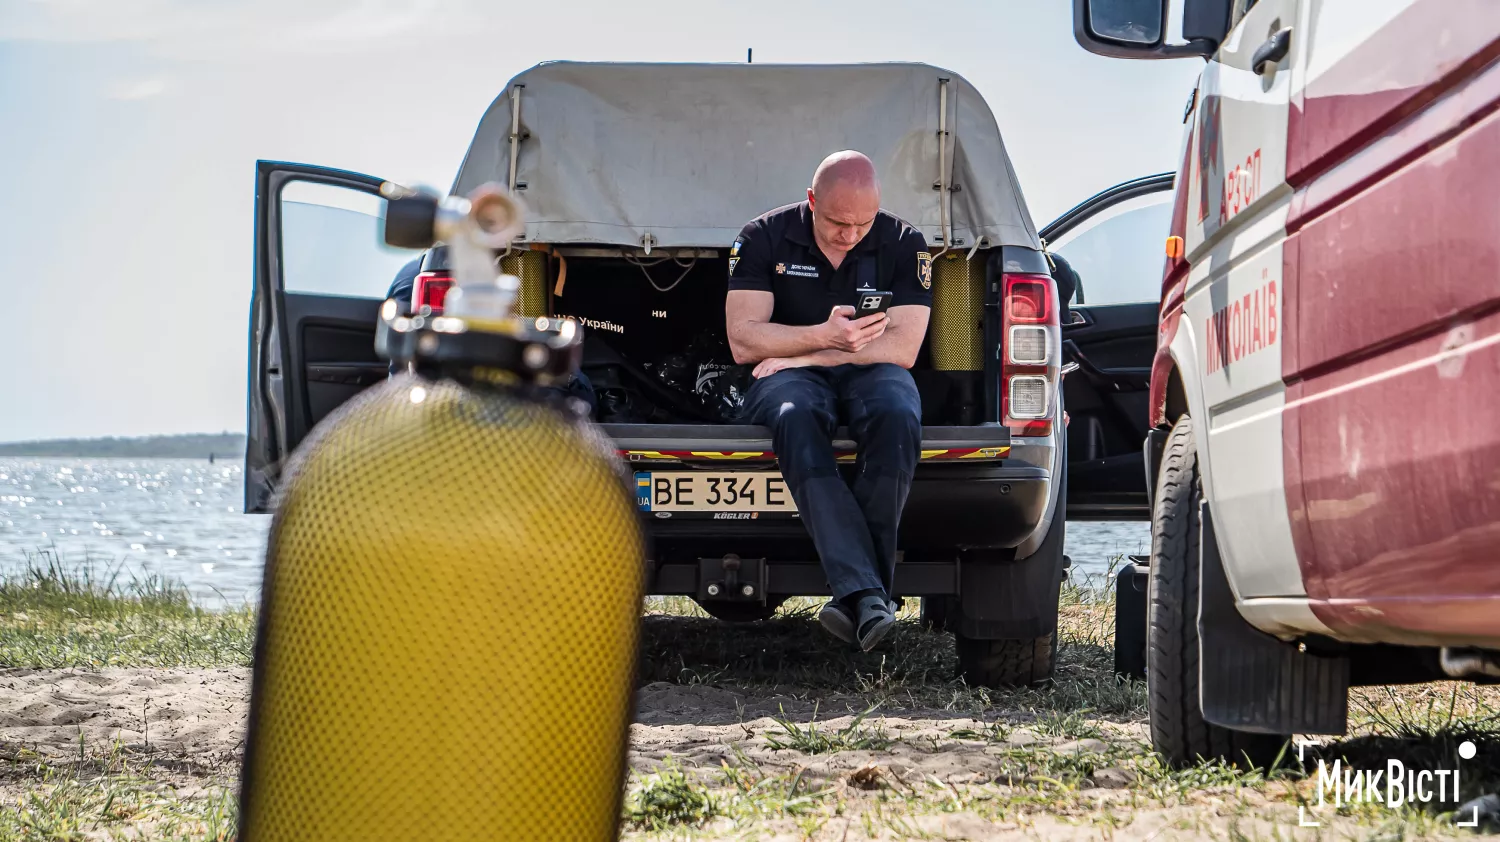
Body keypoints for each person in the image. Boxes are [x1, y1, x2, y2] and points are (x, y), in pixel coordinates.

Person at [725, 150, 932, 651]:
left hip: (857, 367)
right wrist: (822, 335)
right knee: (795, 416)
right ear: (812, 200)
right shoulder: (763, 237)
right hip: (789, 378)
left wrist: (811, 353)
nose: (851, 234)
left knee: (898, 413)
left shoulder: (904, 242)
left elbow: (904, 348)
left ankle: (855, 595)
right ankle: (868, 596)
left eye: (863, 223)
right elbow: (744, 340)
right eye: (839, 223)